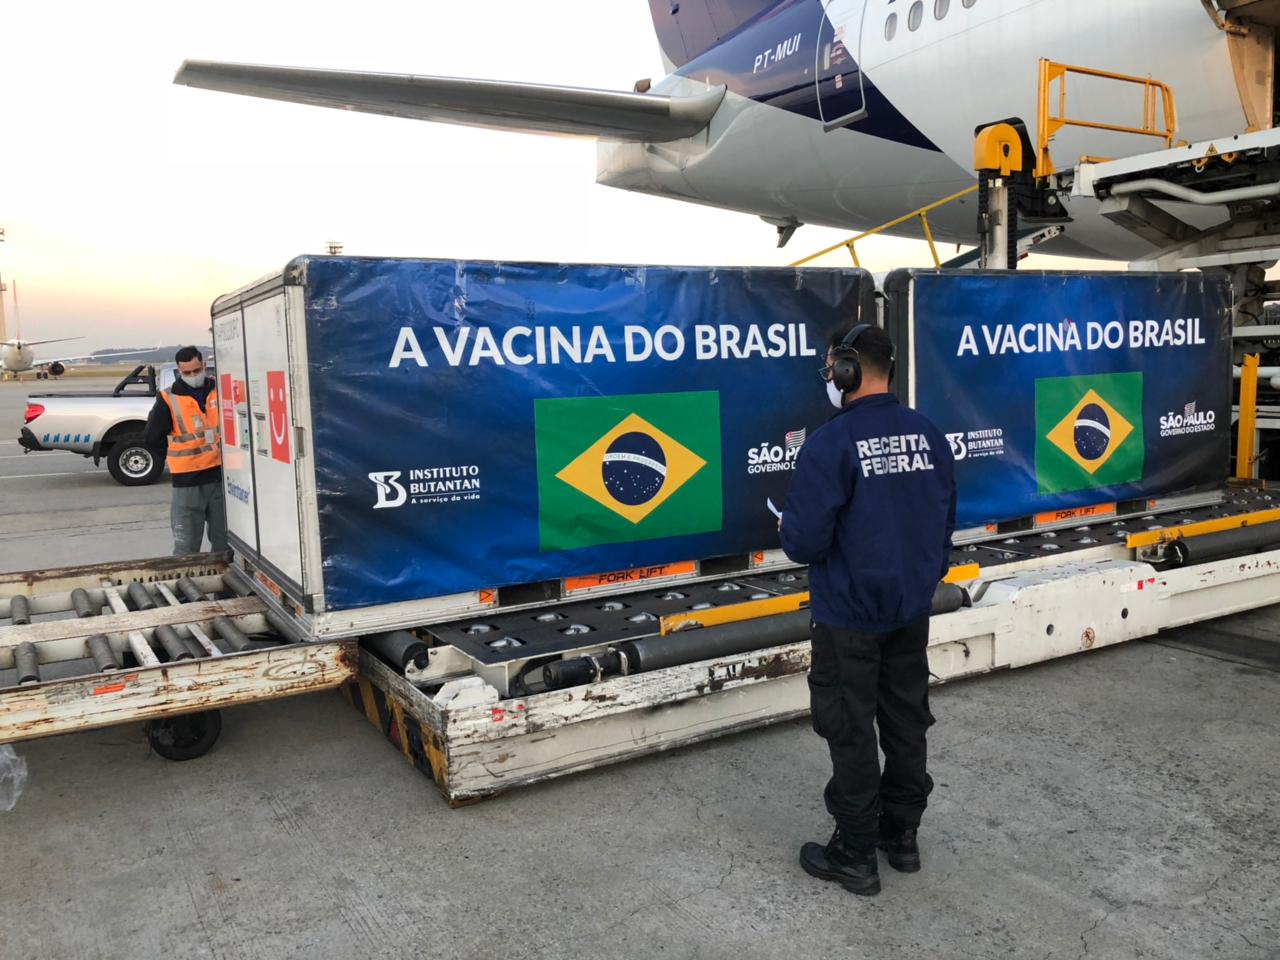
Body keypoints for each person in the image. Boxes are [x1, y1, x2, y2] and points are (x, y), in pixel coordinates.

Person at [779, 322, 956, 897]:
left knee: (849, 726)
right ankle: (901, 837)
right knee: (906, 719)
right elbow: (944, 524)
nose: (829, 377)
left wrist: (789, 528)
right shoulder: (928, 435)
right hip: (910, 610)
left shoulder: (830, 443)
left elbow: (804, 543)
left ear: (847, 369)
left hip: (848, 615)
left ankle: (855, 851)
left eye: (831, 367)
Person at [145, 346, 228, 555]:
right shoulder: (168, 398)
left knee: (225, 543)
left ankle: (224, 577)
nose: (193, 376)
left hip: (221, 477)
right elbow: (152, 437)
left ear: (204, 366)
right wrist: (174, 459)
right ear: (179, 371)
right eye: (187, 372)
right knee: (187, 547)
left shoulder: (220, 390)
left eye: (196, 370)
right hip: (188, 480)